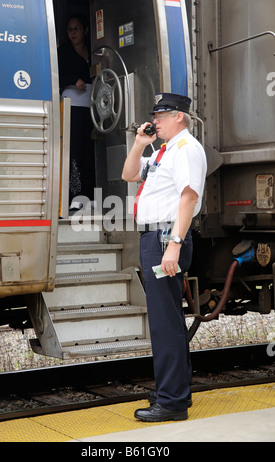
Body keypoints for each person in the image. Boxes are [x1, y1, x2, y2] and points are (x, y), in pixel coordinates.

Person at [122, 93, 207, 422]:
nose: (155, 120)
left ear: (180, 117)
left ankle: (172, 402)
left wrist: (174, 243)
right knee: (167, 318)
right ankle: (175, 391)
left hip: (164, 239)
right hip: (155, 239)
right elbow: (130, 174)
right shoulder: (163, 152)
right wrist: (139, 143)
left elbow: (189, 197)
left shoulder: (187, 150)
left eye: (162, 114)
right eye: (154, 115)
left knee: (165, 322)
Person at [58, 14, 95, 211]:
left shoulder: (94, 49)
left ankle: (91, 195)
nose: (73, 33)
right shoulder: (62, 51)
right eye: (69, 29)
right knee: (74, 151)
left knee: (90, 150)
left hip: (93, 106)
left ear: (85, 31)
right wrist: (74, 80)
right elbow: (56, 75)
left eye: (76, 29)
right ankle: (75, 195)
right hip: (72, 104)